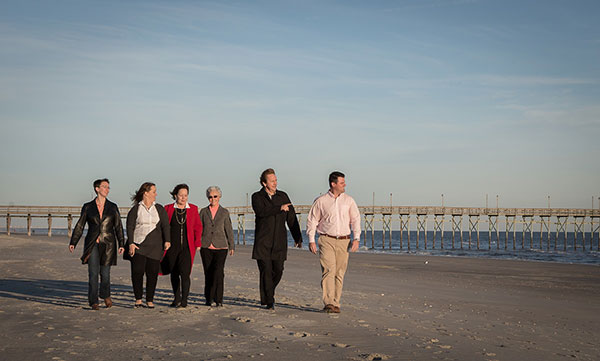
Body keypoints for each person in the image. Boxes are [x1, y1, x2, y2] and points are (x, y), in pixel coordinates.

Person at [306, 171, 361, 314]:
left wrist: (357, 238)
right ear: (333, 184)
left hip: (344, 240)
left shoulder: (349, 200)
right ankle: (329, 302)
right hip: (326, 239)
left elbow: (355, 220)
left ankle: (336, 302)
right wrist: (311, 240)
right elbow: (312, 221)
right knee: (329, 270)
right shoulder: (321, 201)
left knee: (339, 272)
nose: (345, 185)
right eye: (342, 183)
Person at [69, 178, 125, 310]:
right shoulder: (88, 206)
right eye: (105, 187)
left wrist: (122, 243)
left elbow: (118, 226)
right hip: (92, 243)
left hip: (108, 244)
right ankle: (93, 301)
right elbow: (80, 225)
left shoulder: (113, 206)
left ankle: (105, 295)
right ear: (97, 189)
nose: (107, 189)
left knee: (105, 274)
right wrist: (73, 241)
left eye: (108, 187)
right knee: (93, 273)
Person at [251, 168, 302, 310]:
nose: (275, 183)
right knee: (266, 271)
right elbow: (261, 212)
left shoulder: (283, 196)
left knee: (278, 271)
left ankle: (268, 293)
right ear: (264, 183)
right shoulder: (257, 197)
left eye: (276, 180)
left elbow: (291, 219)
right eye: (272, 181)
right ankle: (269, 301)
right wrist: (279, 208)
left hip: (279, 242)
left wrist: (297, 237)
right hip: (263, 242)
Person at [126, 182, 171, 308]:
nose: (156, 194)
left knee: (152, 274)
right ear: (146, 193)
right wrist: (130, 243)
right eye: (153, 191)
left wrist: (167, 240)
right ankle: (138, 299)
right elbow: (130, 226)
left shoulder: (159, 209)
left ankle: (150, 300)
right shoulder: (136, 209)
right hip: (138, 245)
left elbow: (166, 226)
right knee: (137, 272)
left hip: (156, 247)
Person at [161, 184, 202, 308]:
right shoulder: (167, 208)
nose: (183, 198)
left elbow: (198, 227)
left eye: (186, 195)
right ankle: (176, 298)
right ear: (175, 196)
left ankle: (184, 300)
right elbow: (163, 227)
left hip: (187, 247)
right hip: (172, 247)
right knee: (174, 273)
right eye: (181, 195)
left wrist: (198, 242)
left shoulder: (193, 209)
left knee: (185, 273)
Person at [199, 186, 235, 307]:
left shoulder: (224, 212)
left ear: (219, 197)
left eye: (215, 196)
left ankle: (219, 299)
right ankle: (209, 299)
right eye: (210, 197)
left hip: (221, 247)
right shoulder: (203, 212)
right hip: (206, 246)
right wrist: (197, 243)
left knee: (218, 272)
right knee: (208, 273)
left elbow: (229, 229)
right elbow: (199, 229)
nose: (212, 199)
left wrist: (232, 246)